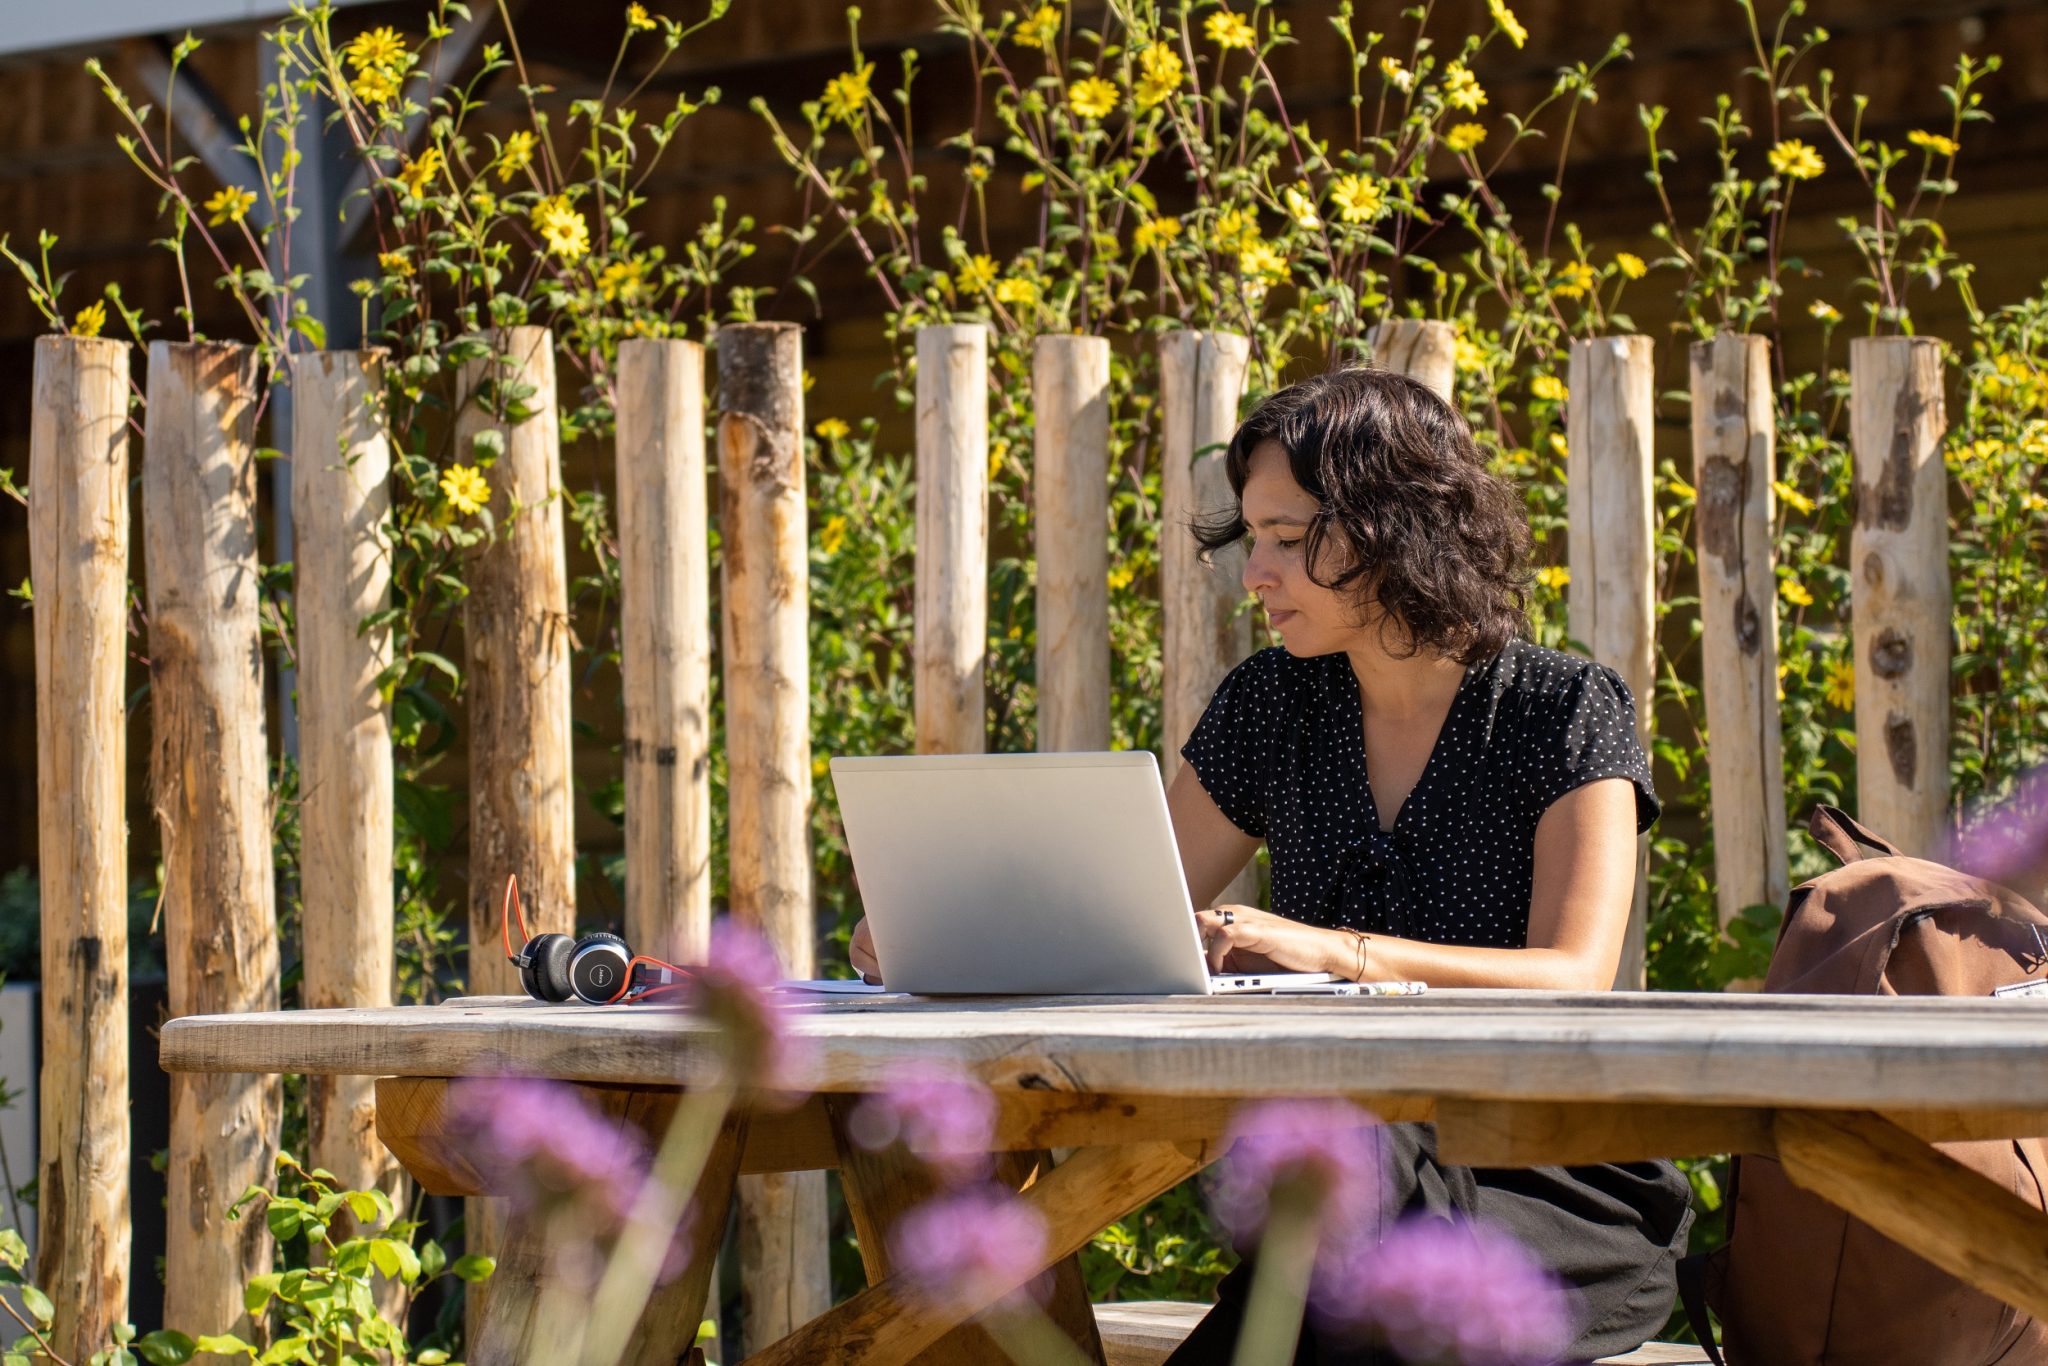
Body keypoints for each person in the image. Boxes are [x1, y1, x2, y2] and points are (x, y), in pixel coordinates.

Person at [849, 366, 1692, 1363]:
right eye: (1254, 540)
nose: (1256, 574)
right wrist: (944, 931)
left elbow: (1571, 976)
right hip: (1347, 1190)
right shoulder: (1271, 704)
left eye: (1288, 542)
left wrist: (1332, 952)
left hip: (1545, 1189)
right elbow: (1125, 915)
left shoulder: (1562, 709)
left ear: (1398, 528)